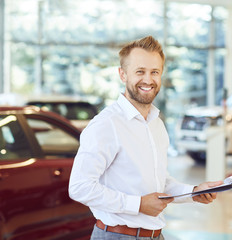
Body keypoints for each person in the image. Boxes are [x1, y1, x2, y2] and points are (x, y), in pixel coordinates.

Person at [68, 35, 223, 240]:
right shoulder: (106, 124)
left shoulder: (156, 124)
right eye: (140, 71)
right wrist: (138, 204)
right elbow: (79, 187)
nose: (148, 80)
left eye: (154, 72)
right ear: (122, 75)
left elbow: (158, 183)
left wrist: (193, 192)